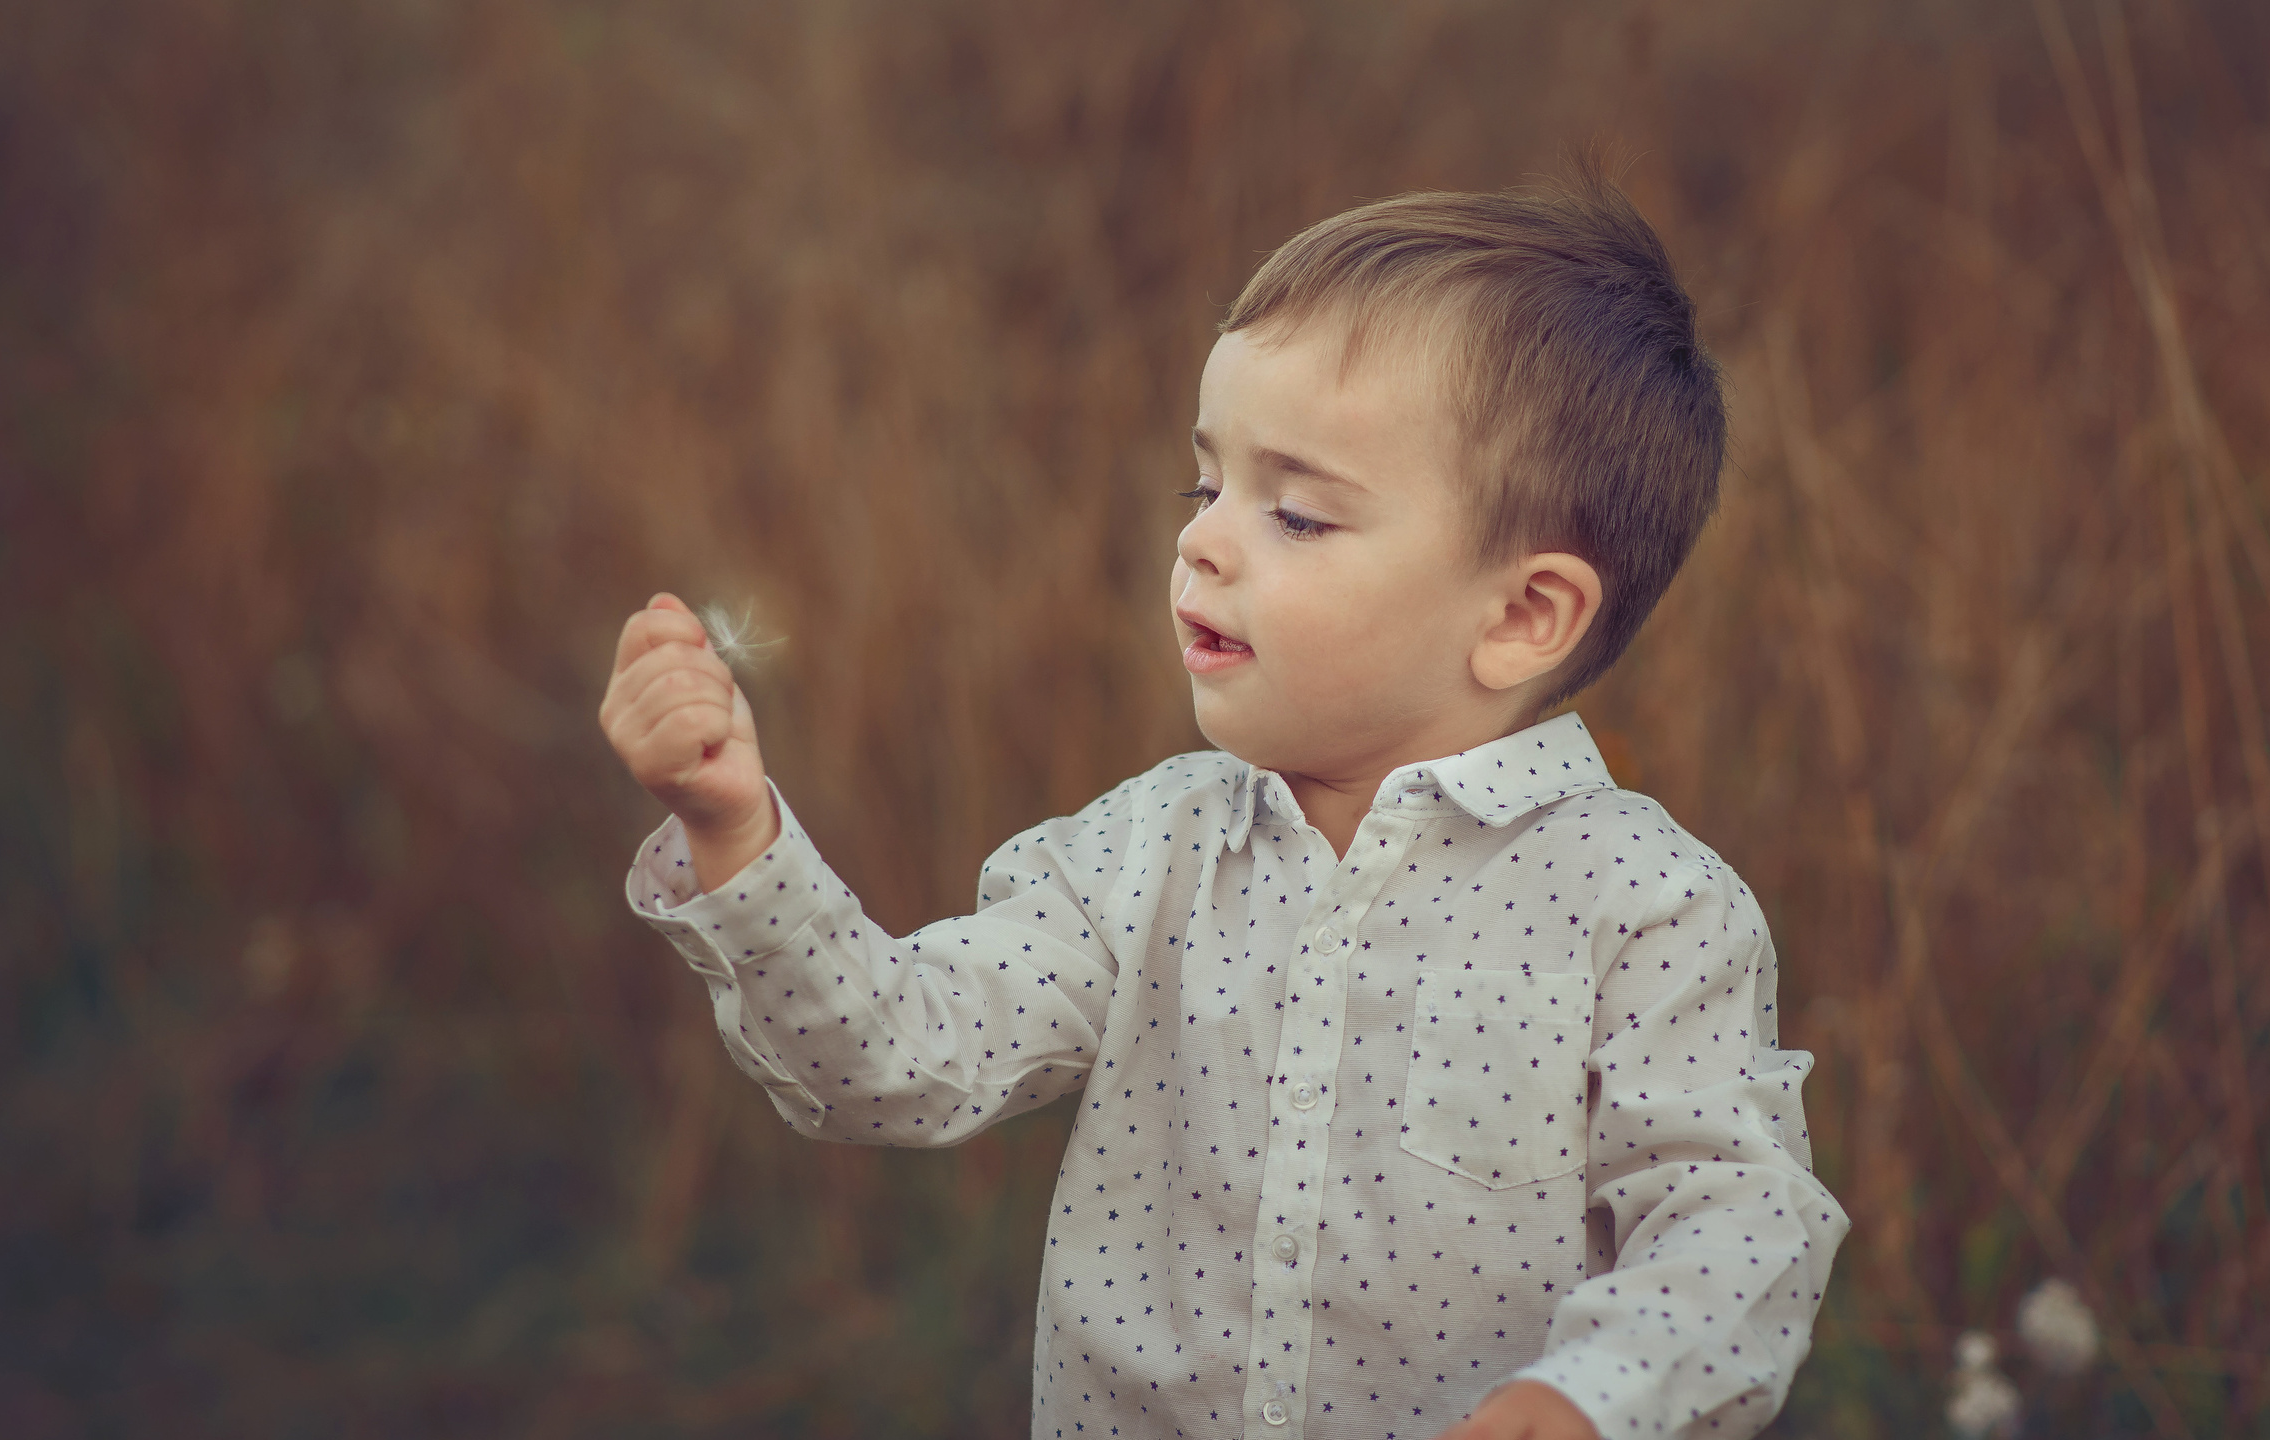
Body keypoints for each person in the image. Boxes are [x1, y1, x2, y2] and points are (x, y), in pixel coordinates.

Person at [599, 169, 1846, 1440]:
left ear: (1523, 616)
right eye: (1206, 490)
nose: (1204, 543)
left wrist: (1588, 1397)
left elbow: (1736, 1219)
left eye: (1297, 514)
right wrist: (736, 835)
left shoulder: (1645, 910)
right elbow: (886, 1060)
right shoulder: (1145, 854)